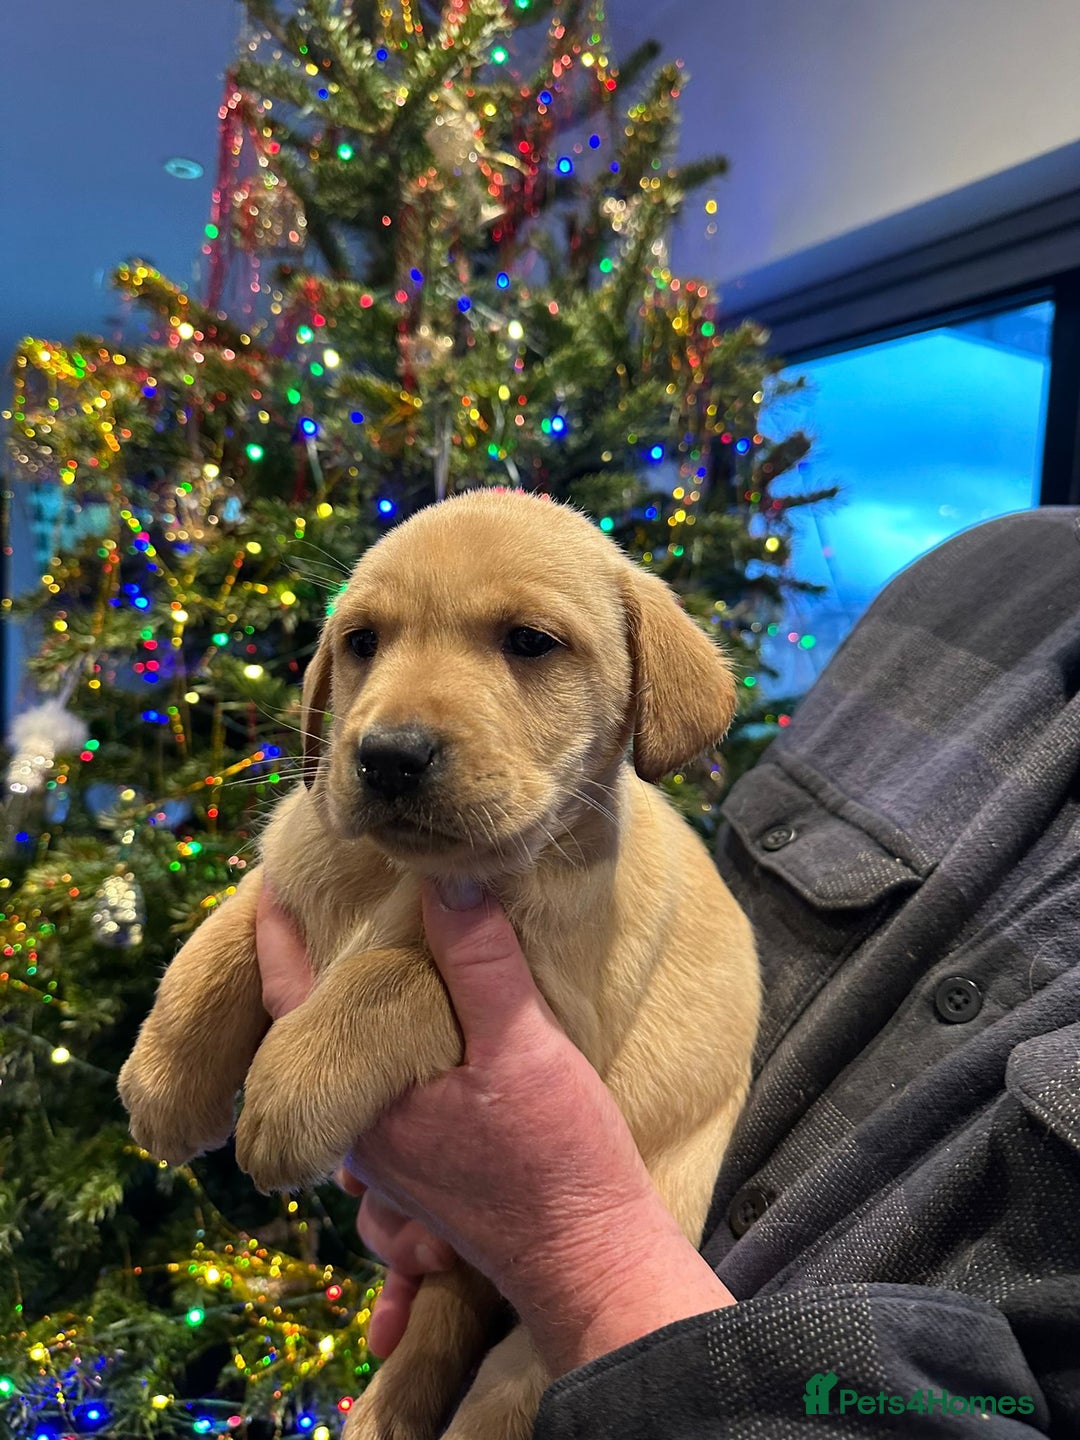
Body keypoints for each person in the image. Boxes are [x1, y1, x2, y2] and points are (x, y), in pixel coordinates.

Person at [256, 507, 1080, 1437]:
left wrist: (580, 1254)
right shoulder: (983, 575)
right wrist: (469, 1199)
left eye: (527, 642)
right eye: (365, 642)